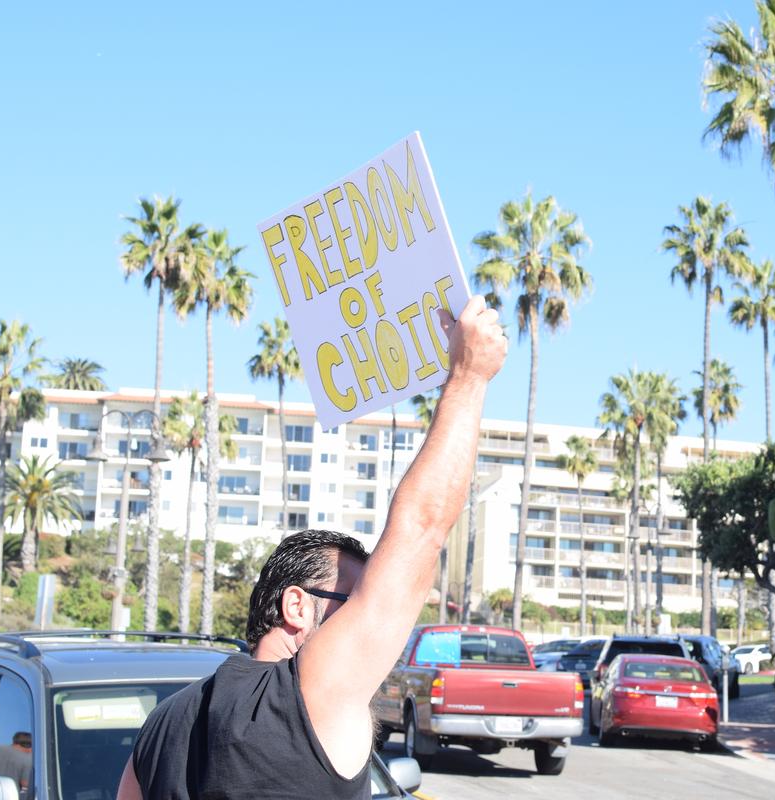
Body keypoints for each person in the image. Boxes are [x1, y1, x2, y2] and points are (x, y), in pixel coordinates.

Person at [116, 295, 507, 799]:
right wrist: (468, 378)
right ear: (297, 605)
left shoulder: (163, 723)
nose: (369, 613)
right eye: (354, 599)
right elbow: (422, 528)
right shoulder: (310, 692)